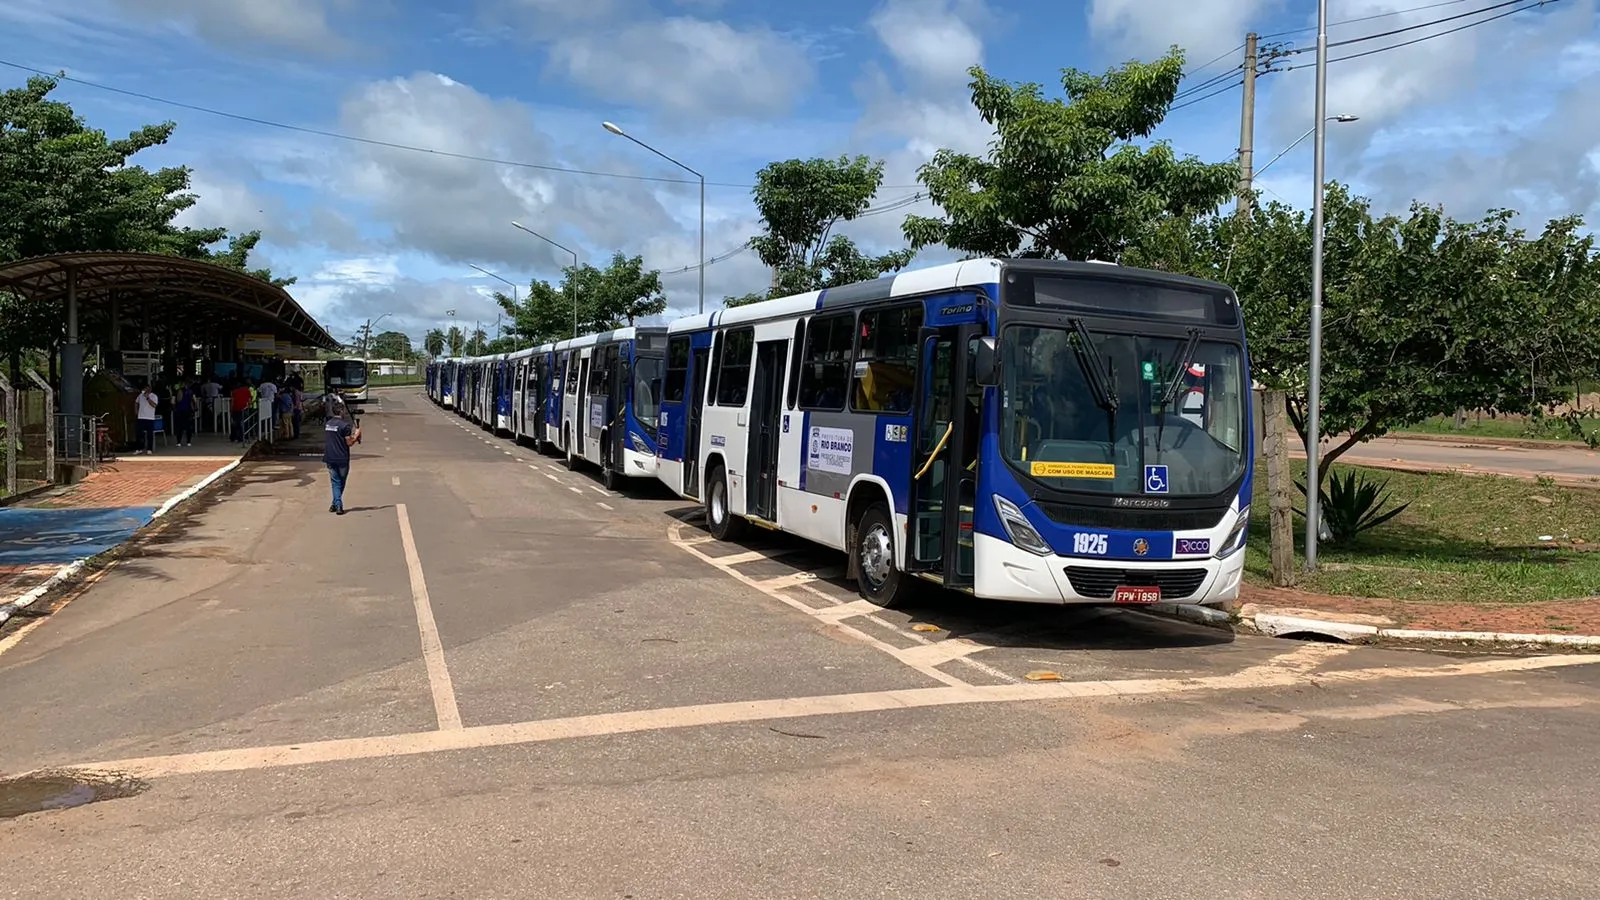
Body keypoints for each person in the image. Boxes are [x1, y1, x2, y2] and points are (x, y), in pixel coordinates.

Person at [323, 397, 361, 515]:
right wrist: (356, 435)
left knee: (336, 482)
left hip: (330, 457)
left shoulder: (328, 424)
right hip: (342, 458)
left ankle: (335, 503)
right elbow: (349, 442)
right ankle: (338, 505)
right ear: (341, 412)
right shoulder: (345, 426)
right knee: (340, 482)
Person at [135, 383, 159, 454]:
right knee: (139, 433)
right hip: (141, 416)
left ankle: (149, 449)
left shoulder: (154, 396)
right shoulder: (140, 396)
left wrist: (147, 398)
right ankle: (139, 448)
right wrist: (136, 411)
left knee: (149, 434)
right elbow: (136, 402)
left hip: (150, 417)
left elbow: (154, 405)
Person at [174, 380, 196, 446]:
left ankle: (178, 442)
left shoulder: (179, 391)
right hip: (188, 410)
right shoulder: (191, 392)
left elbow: (178, 400)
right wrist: (194, 409)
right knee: (189, 427)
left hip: (180, 410)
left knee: (179, 427)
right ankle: (188, 441)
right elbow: (194, 401)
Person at [230, 378, 252, 443]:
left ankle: (235, 437)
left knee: (236, 423)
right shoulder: (247, 390)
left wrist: (231, 410)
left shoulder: (234, 392)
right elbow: (250, 400)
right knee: (244, 422)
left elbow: (232, 402)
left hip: (236, 409)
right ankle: (244, 436)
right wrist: (249, 406)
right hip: (244, 408)